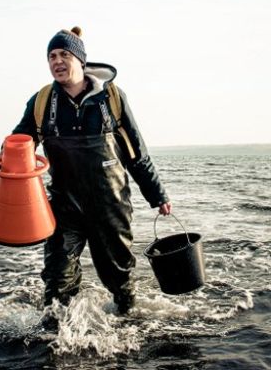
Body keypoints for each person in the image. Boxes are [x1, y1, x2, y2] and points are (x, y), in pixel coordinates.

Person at [11, 26, 172, 315]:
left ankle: (127, 320)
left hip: (109, 206)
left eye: (64, 54)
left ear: (80, 59)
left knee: (119, 278)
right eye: (51, 56)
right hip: (64, 207)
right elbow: (22, 141)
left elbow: (136, 152)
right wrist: (7, 156)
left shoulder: (111, 98)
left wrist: (157, 194)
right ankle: (58, 337)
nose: (56, 61)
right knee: (57, 282)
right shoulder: (42, 101)